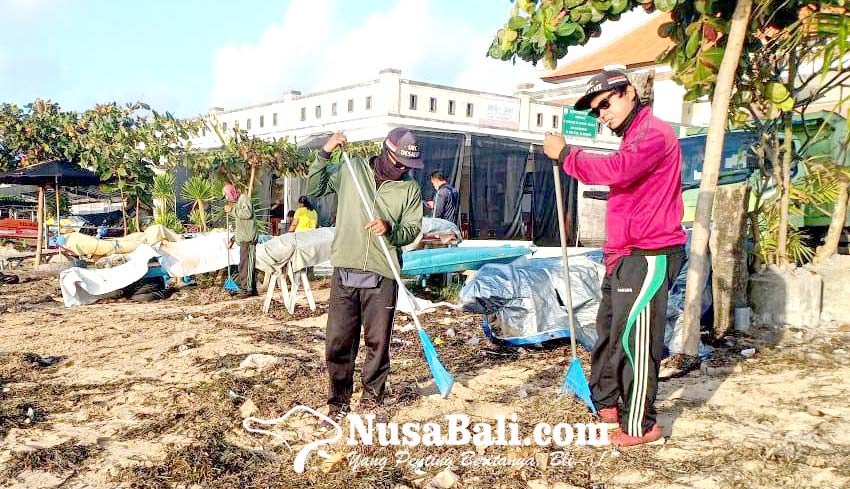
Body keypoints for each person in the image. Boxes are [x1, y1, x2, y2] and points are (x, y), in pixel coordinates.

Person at [543, 68, 687, 447]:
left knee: (635, 339)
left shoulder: (654, 133)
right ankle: (607, 401)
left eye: (606, 104)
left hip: (649, 252)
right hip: (624, 253)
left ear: (630, 93)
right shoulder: (633, 136)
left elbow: (617, 172)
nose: (602, 114)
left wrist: (568, 155)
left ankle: (641, 423)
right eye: (596, 110)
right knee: (608, 330)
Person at [307, 128, 424, 425]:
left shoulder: (409, 189)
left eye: (408, 167)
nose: (402, 171)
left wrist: (391, 228)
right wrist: (326, 151)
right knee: (338, 341)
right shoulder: (351, 168)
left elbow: (412, 229)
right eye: (399, 164)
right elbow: (314, 187)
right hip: (346, 266)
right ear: (387, 152)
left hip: (382, 272)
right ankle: (338, 403)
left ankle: (372, 399)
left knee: (377, 342)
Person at [223, 183, 257, 297]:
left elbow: (247, 214)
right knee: (243, 265)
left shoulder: (244, 198)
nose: (227, 198)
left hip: (248, 240)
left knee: (246, 265)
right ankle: (250, 289)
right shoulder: (238, 202)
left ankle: (246, 289)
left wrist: (232, 210)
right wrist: (233, 239)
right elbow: (241, 226)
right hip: (243, 239)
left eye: (227, 195)